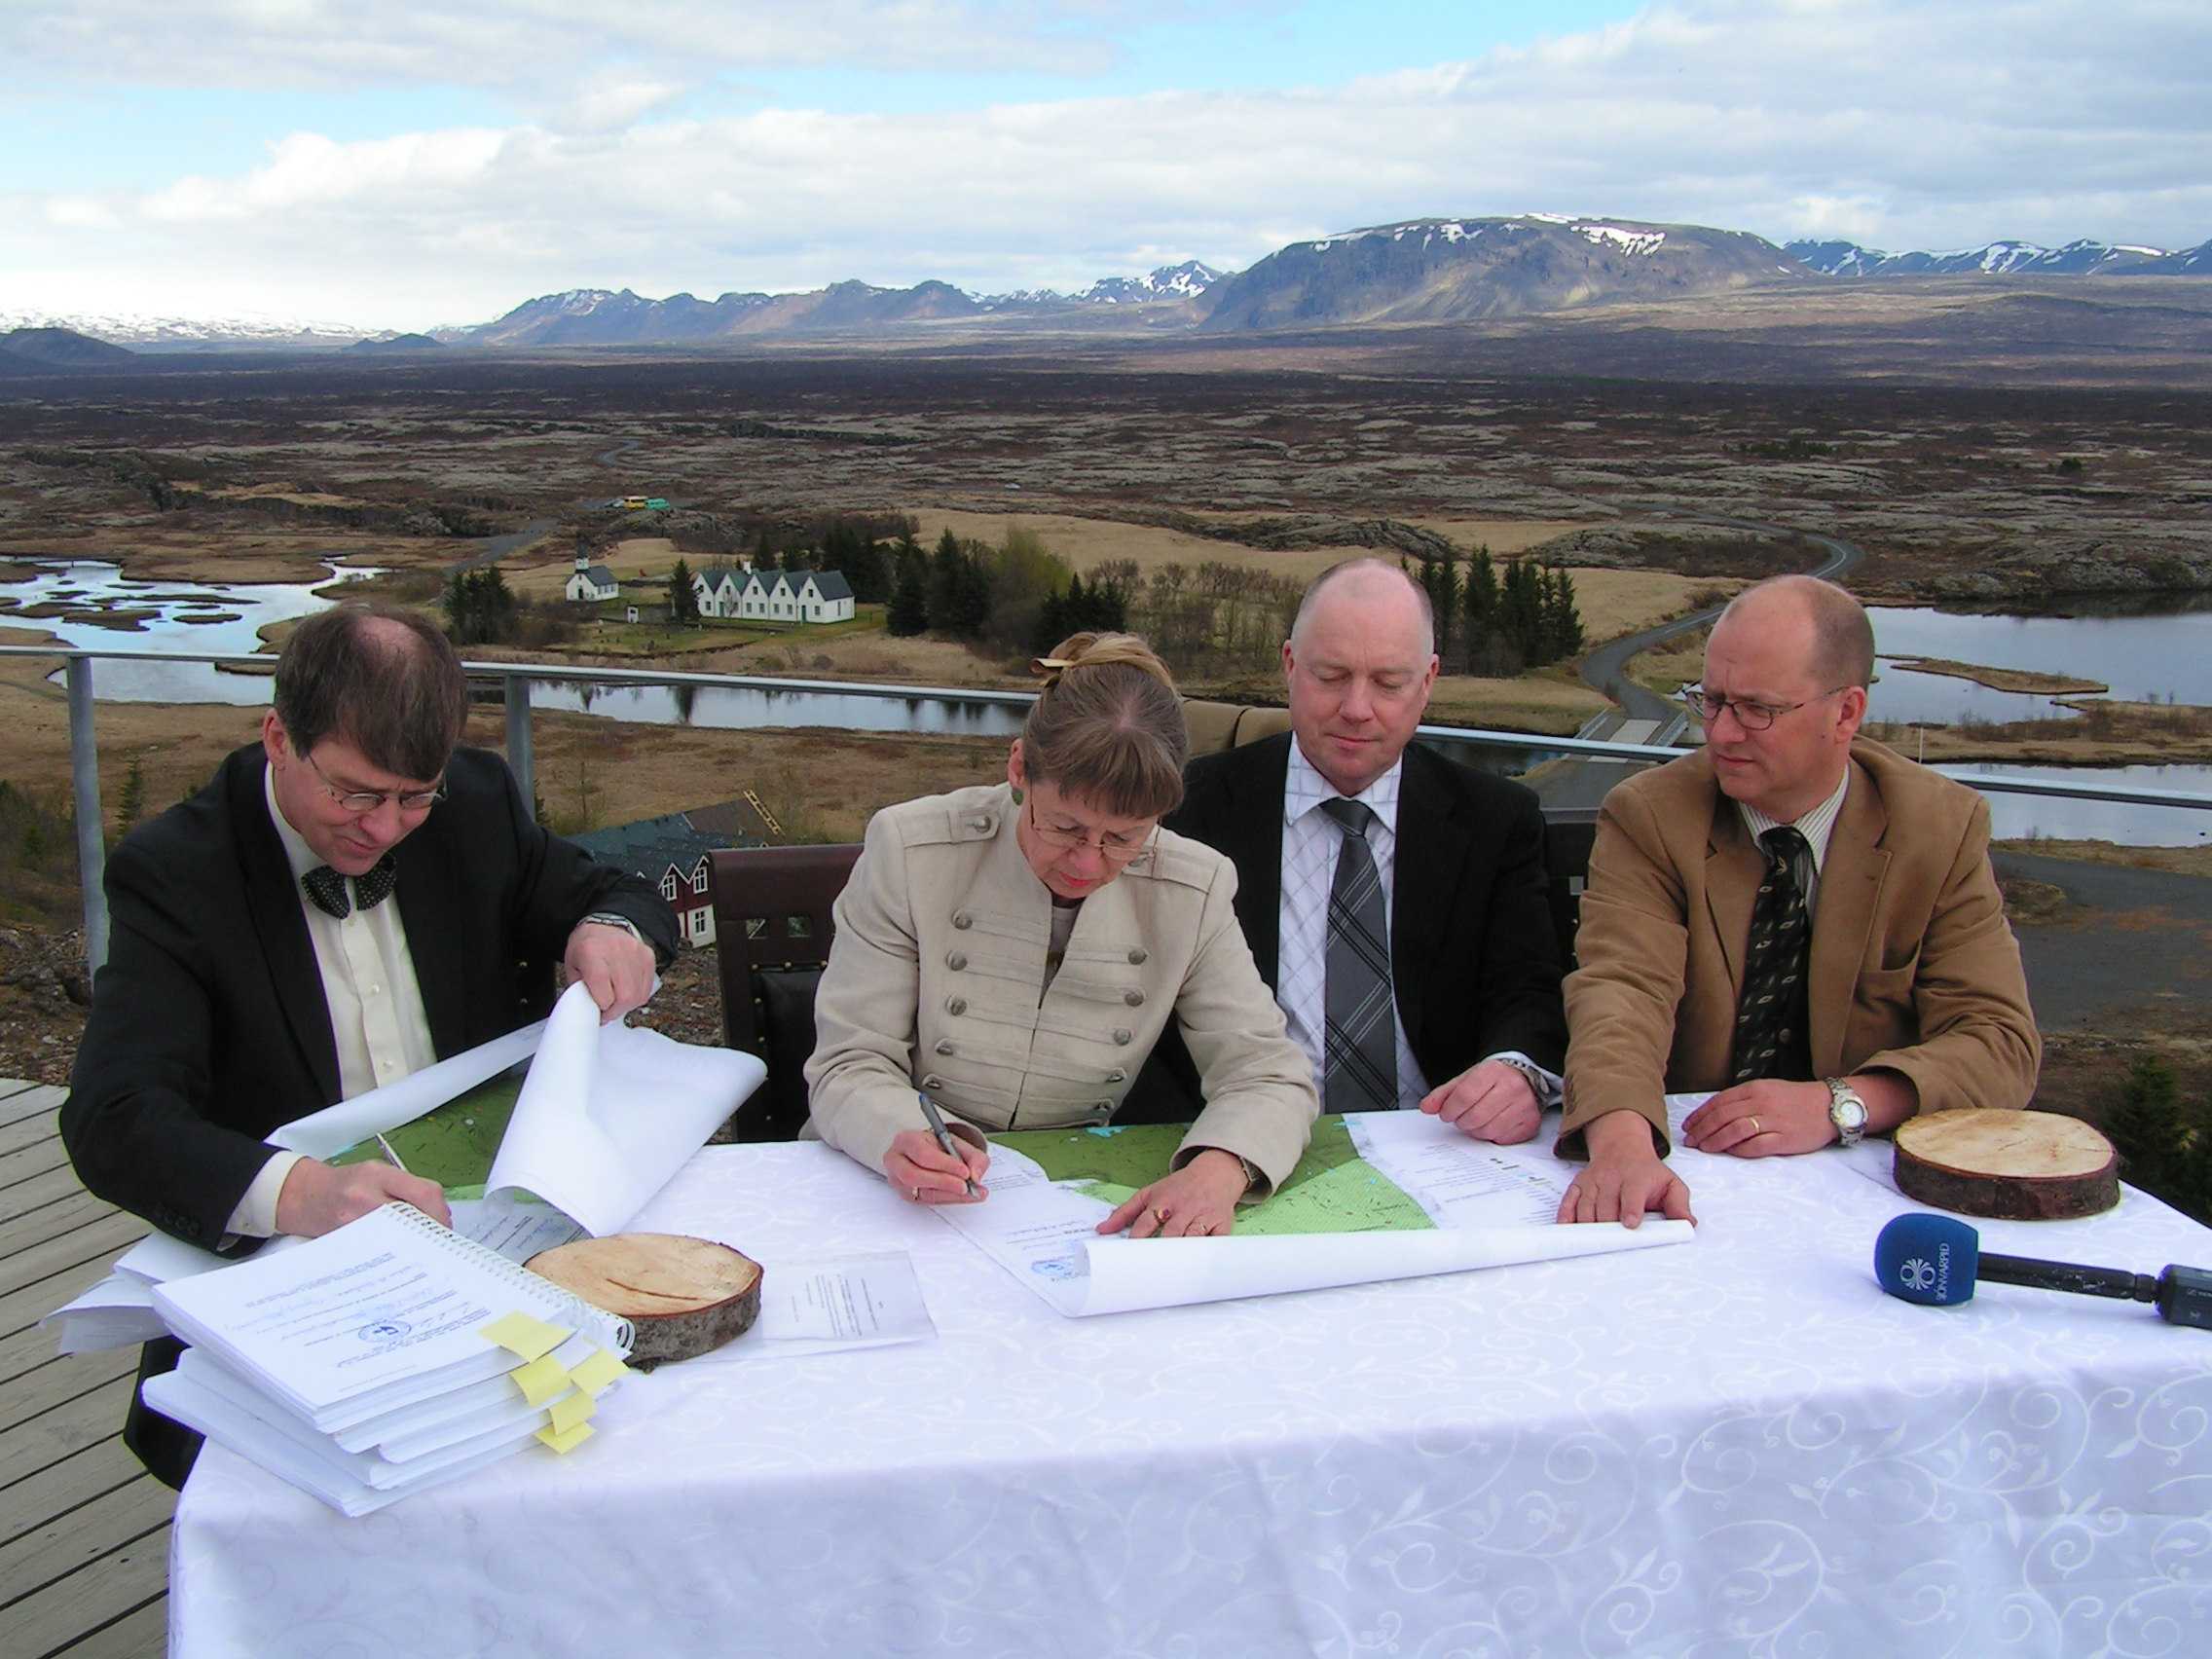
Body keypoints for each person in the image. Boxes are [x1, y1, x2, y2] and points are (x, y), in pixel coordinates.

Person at [61, 602, 676, 1485]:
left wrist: (613, 929)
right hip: (298, 1298)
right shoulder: (176, 872)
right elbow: (113, 1117)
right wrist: (304, 1194)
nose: (383, 828)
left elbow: (619, 890)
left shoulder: (473, 804)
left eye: (410, 798)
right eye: (352, 793)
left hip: (499, 1253)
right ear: (278, 737)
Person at [1556, 574, 2041, 1226]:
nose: (1721, 734)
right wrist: (1620, 1146)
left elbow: (2000, 1042)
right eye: (1711, 700)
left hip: (1868, 1194)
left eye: (1757, 709)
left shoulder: (1939, 829)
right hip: (1690, 1170)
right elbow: (1621, 992)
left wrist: (1842, 1102)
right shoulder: (1651, 816)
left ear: (1846, 714)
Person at [805, 632, 1317, 1236]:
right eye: (1064, 827)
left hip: (1071, 1201)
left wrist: (1222, 1167)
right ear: (1019, 767)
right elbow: (849, 1062)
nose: (1087, 863)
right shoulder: (911, 850)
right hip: (886, 1178)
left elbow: (1269, 1074)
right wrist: (904, 1135)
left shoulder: (1195, 888)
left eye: (1125, 838)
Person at [1139, 558, 1566, 1140]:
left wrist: (1516, 1070)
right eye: (1332, 676)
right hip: (1229, 1136)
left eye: (1388, 683)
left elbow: (1529, 989)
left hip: (1435, 1142)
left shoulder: (1496, 821)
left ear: (1428, 681)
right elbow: (1143, 1018)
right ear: (1290, 664)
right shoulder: (1189, 811)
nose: (1357, 708)